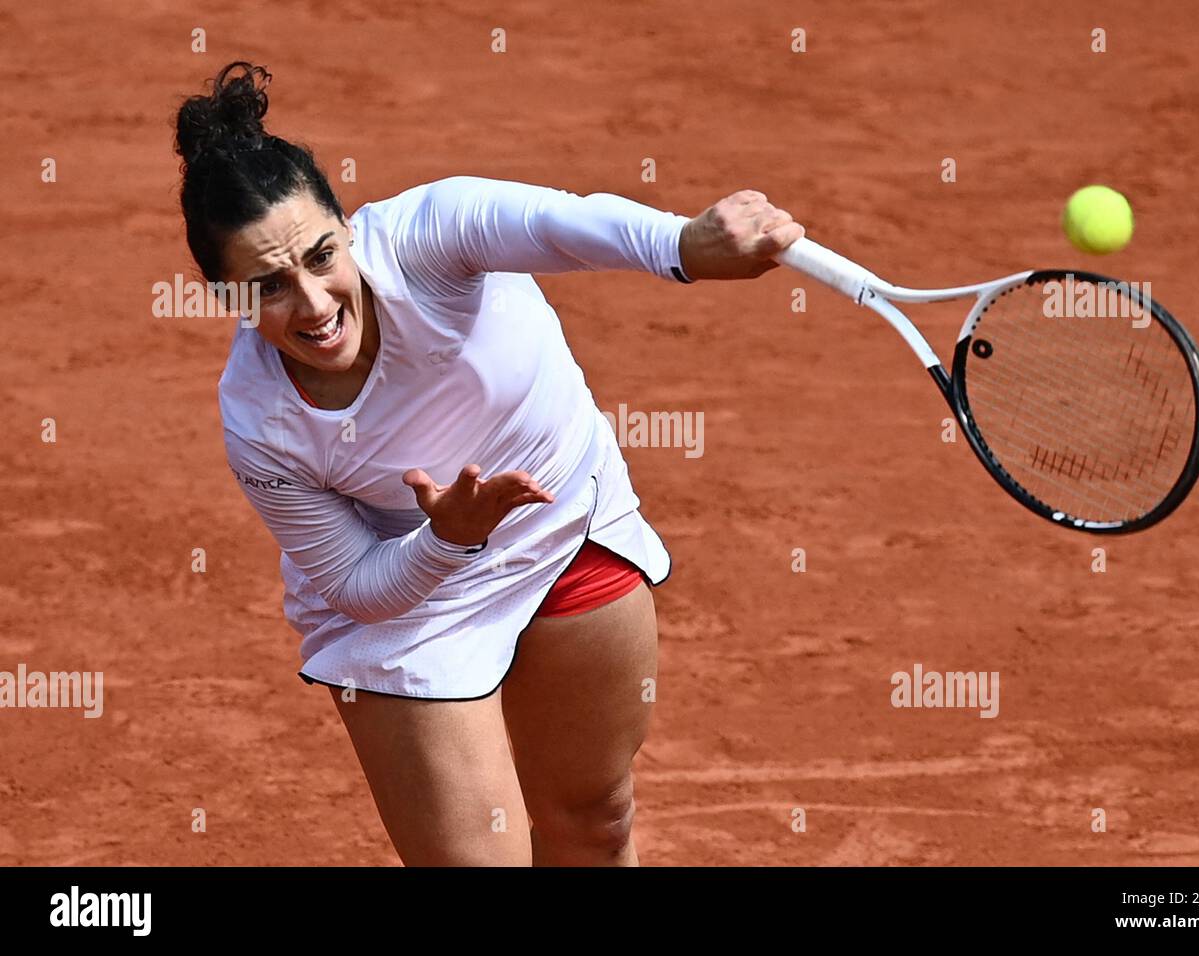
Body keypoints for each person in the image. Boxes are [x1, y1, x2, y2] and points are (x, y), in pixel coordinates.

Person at [175, 61, 804, 866]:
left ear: (349, 224)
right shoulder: (259, 420)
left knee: (595, 821)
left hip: (563, 518)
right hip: (409, 599)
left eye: (321, 254)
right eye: (266, 287)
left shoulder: (430, 234)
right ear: (224, 297)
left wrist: (684, 245)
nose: (315, 302)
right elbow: (359, 587)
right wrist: (447, 537)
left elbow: (559, 225)